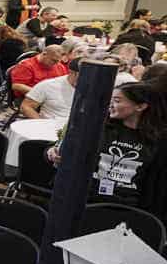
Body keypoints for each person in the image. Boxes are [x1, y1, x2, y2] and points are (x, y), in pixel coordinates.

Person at [49, 83, 167, 214]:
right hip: (84, 199)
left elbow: (156, 185)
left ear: (140, 106)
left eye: (117, 101)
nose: (110, 105)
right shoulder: (98, 127)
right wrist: (52, 152)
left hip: (127, 208)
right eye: (110, 100)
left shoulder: (158, 140)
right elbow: (57, 151)